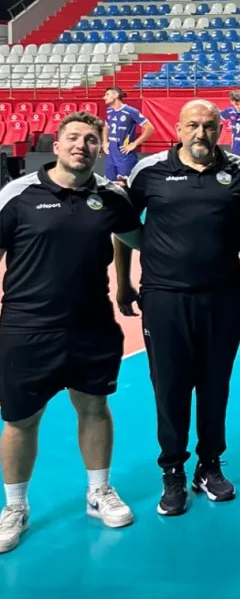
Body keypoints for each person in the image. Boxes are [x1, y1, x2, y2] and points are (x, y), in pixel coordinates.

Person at [0, 113, 142, 553]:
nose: (82, 145)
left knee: (94, 408)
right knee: (21, 419)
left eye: (91, 139)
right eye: (74, 138)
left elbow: (143, 240)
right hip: (27, 327)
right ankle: (15, 507)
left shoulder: (111, 197)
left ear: (101, 149)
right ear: (57, 145)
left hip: (92, 324)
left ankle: (99, 491)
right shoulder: (19, 194)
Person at [114, 99, 240, 516]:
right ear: (178, 129)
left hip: (223, 297)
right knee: (170, 386)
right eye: (193, 125)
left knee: (215, 385)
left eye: (209, 126)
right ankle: (173, 471)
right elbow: (122, 228)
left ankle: (209, 464)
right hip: (164, 297)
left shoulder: (238, 173)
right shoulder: (149, 172)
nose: (201, 133)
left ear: (220, 129)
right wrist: (124, 282)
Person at [102, 87, 153, 182]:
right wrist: (105, 142)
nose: (104, 97)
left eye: (107, 95)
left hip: (125, 155)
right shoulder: (109, 110)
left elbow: (150, 128)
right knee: (109, 184)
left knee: (126, 184)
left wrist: (134, 144)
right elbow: (106, 126)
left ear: (116, 95)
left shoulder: (131, 111)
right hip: (111, 154)